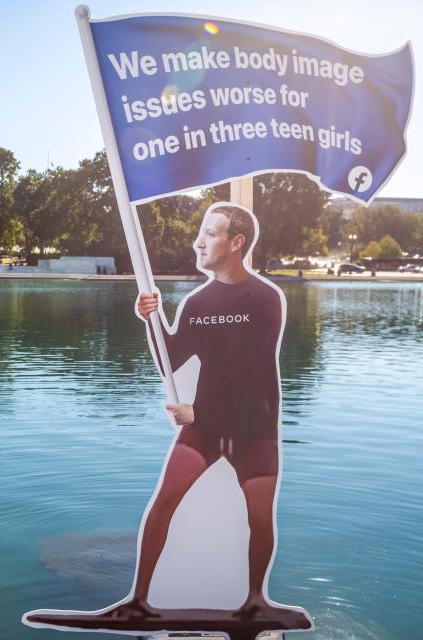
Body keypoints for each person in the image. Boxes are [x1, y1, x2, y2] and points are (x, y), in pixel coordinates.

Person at [108, 204, 288, 622]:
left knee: (259, 518)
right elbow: (169, 360)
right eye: (200, 233)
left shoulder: (265, 299)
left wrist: (199, 411)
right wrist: (149, 322)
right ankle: (138, 602)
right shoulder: (197, 302)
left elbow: (250, 368)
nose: (198, 241)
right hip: (204, 428)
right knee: (164, 501)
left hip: (254, 430)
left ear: (236, 242)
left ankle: (256, 602)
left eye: (209, 233)